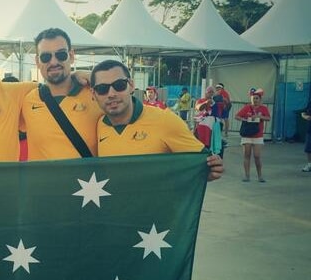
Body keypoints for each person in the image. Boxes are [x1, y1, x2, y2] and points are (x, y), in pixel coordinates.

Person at [89, 59, 223, 181]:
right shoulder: (97, 125)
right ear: (93, 94)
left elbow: (203, 165)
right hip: (116, 206)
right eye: (102, 89)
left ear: (131, 85)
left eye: (119, 85)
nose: (111, 94)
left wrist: (210, 169)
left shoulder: (165, 120)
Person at [20, 27, 103, 161]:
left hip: (88, 182)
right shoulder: (27, 100)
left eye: (61, 55)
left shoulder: (98, 94)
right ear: (37, 61)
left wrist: (96, 79)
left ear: (71, 56)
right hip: (43, 182)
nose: (53, 62)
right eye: (46, 57)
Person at [235, 88, 271, 182]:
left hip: (258, 135)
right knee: (247, 155)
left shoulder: (263, 108)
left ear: (260, 99)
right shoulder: (247, 107)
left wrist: (259, 116)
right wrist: (245, 119)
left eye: (256, 98)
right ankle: (247, 176)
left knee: (257, 156)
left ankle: (260, 176)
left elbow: (268, 118)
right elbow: (237, 116)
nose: (255, 100)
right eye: (253, 98)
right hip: (247, 135)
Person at [301, 102, 311, 172]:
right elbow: (304, 112)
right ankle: (309, 165)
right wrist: (304, 116)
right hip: (310, 130)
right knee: (308, 149)